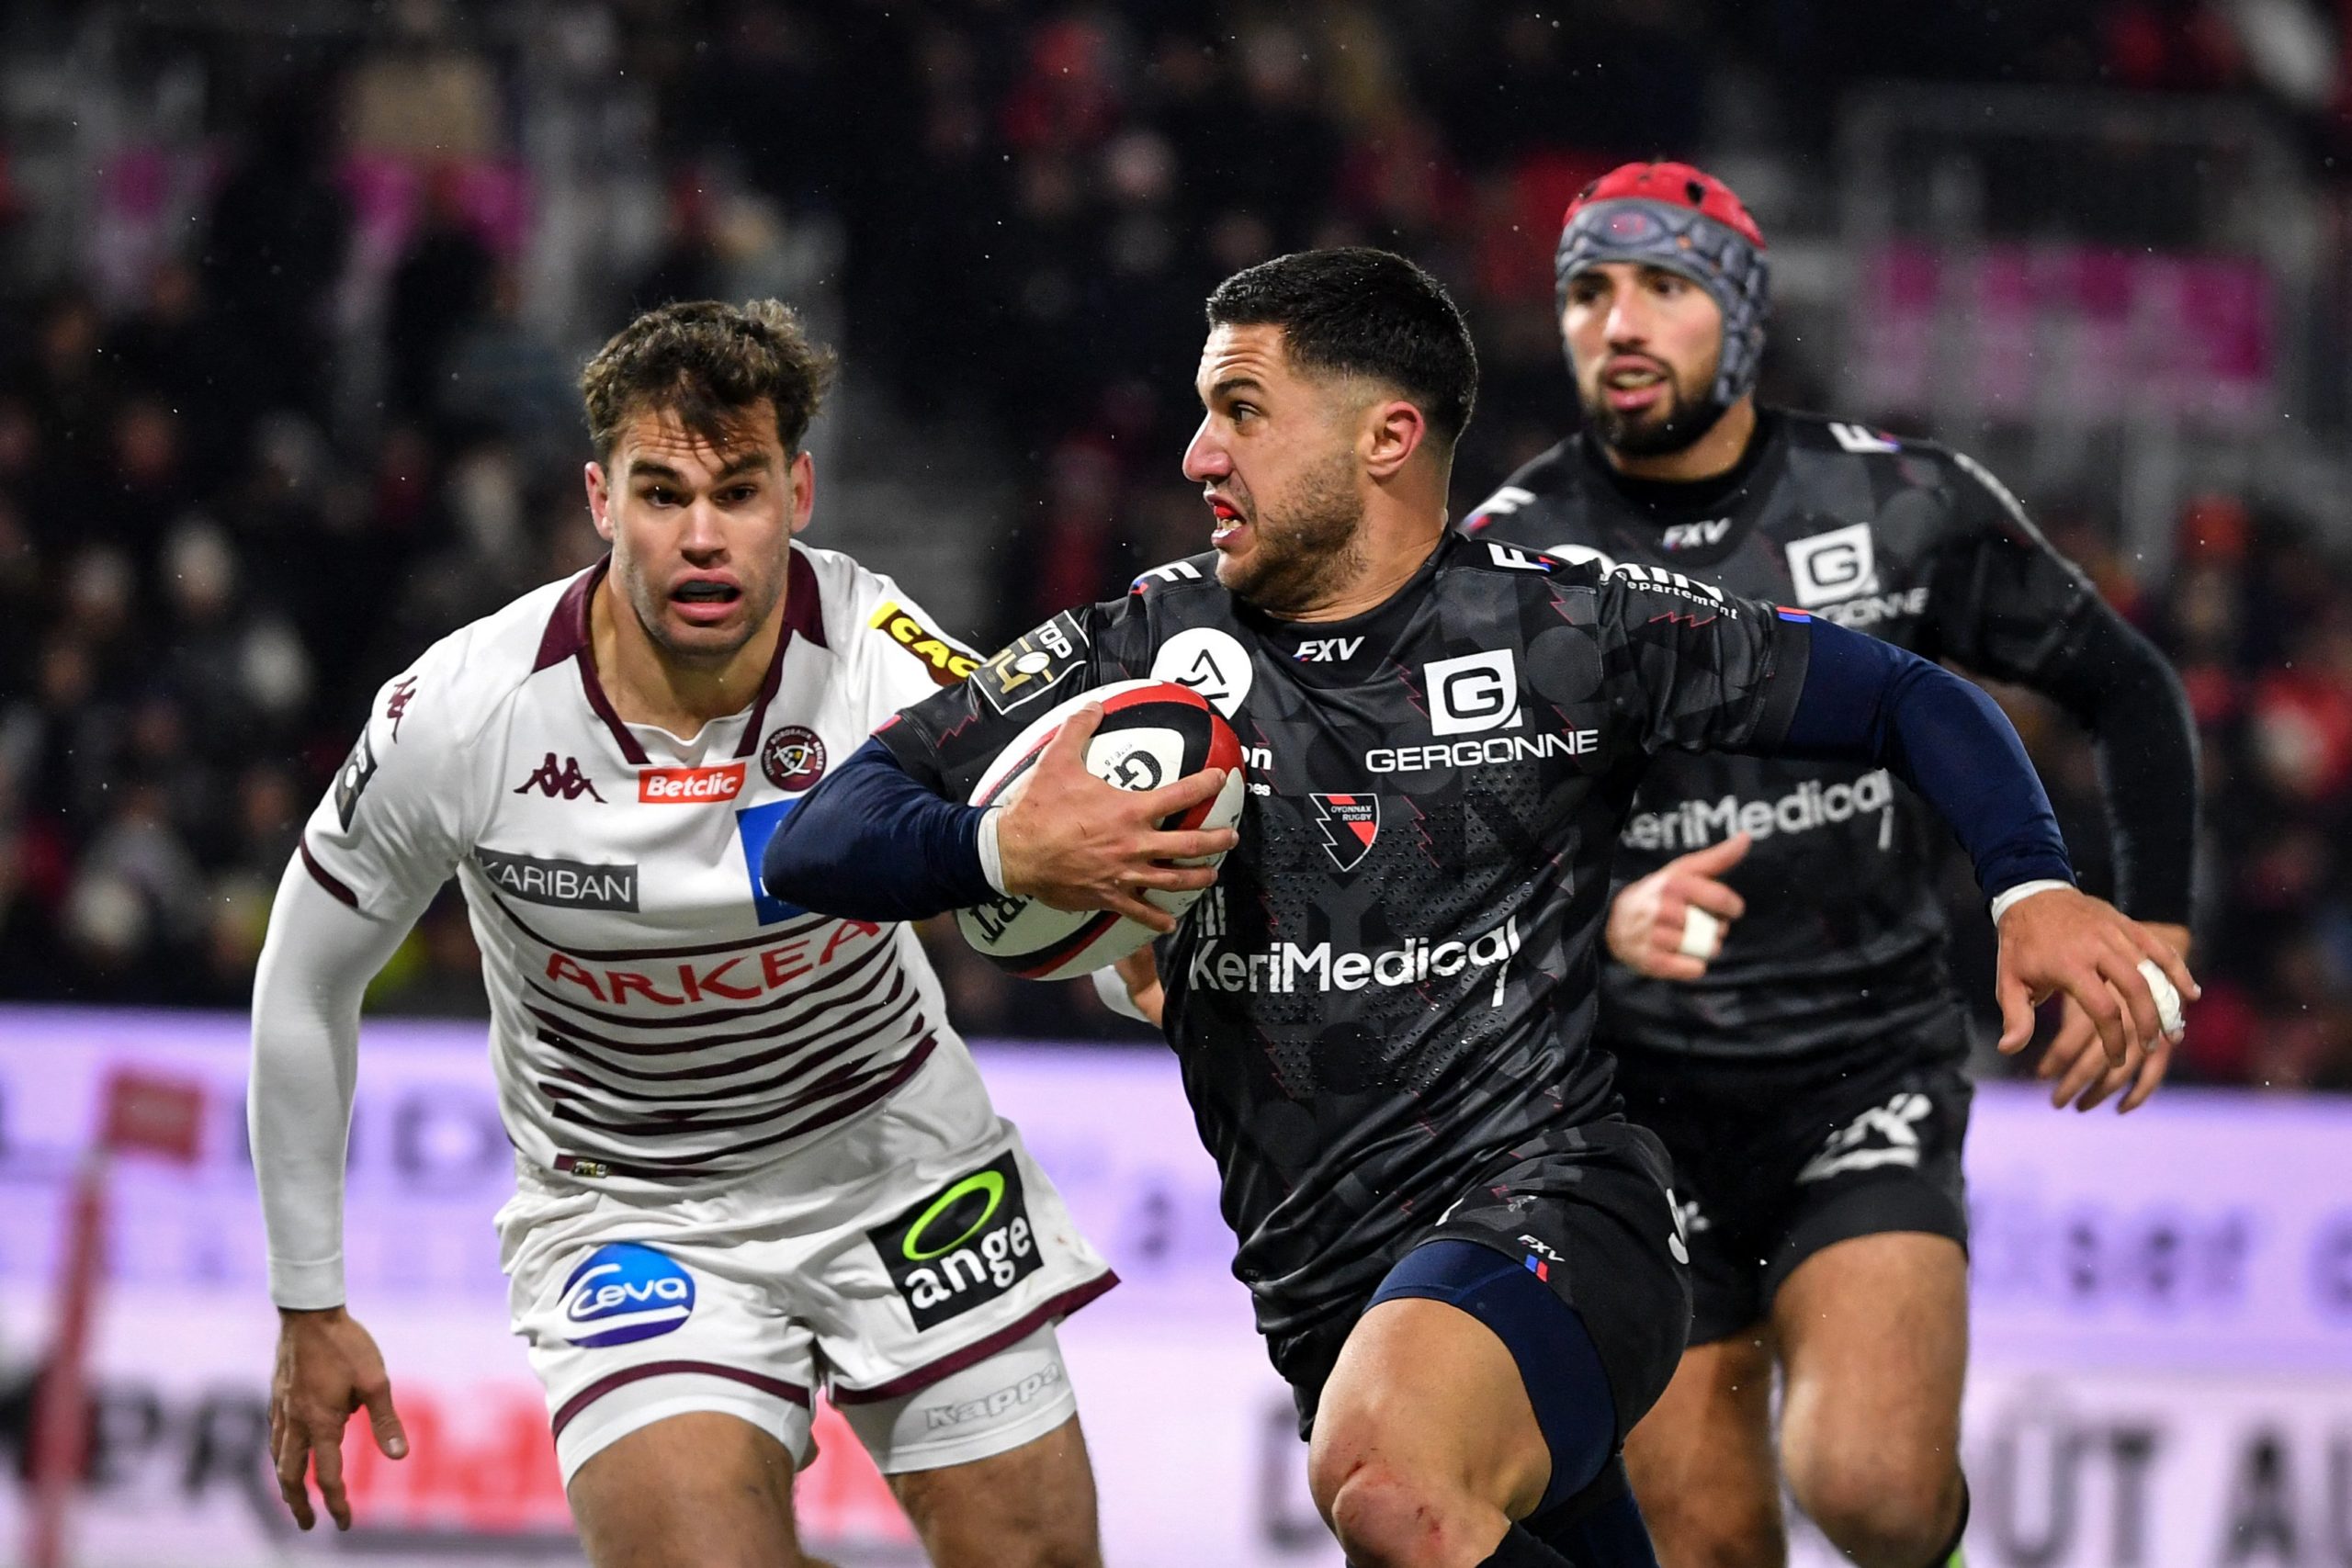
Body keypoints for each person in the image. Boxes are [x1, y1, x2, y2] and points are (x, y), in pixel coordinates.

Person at [759, 248, 2196, 1568]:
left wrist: (2034, 884)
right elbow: (828, 837)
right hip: (1326, 1287)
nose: (1197, 455)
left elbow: (1909, 694)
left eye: (1242, 411)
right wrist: (1007, 848)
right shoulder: (1141, 643)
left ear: (1387, 437)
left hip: (1561, 1209)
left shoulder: (1564, 630)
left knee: (1387, 1480)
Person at [248, 299, 1114, 1568]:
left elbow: (1053, 849)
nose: (702, 538)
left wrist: (1135, 954)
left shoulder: (884, 656)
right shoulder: (465, 707)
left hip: (898, 1159)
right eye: (662, 494)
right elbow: (302, 982)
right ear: (600, 499)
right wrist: (308, 1301)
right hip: (632, 1212)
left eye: (739, 491)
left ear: (799, 492)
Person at [1464, 162, 2199, 1568]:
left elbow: (2126, 687)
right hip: (1628, 1108)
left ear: (1740, 316)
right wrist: (1603, 915)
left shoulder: (1902, 499)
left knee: (1868, 1487)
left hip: (1864, 1071)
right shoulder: (1502, 560)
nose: (1617, 323)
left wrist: (2149, 916)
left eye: (1663, 288)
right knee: (1707, 1544)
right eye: (1586, 291)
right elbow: (1466, 846)